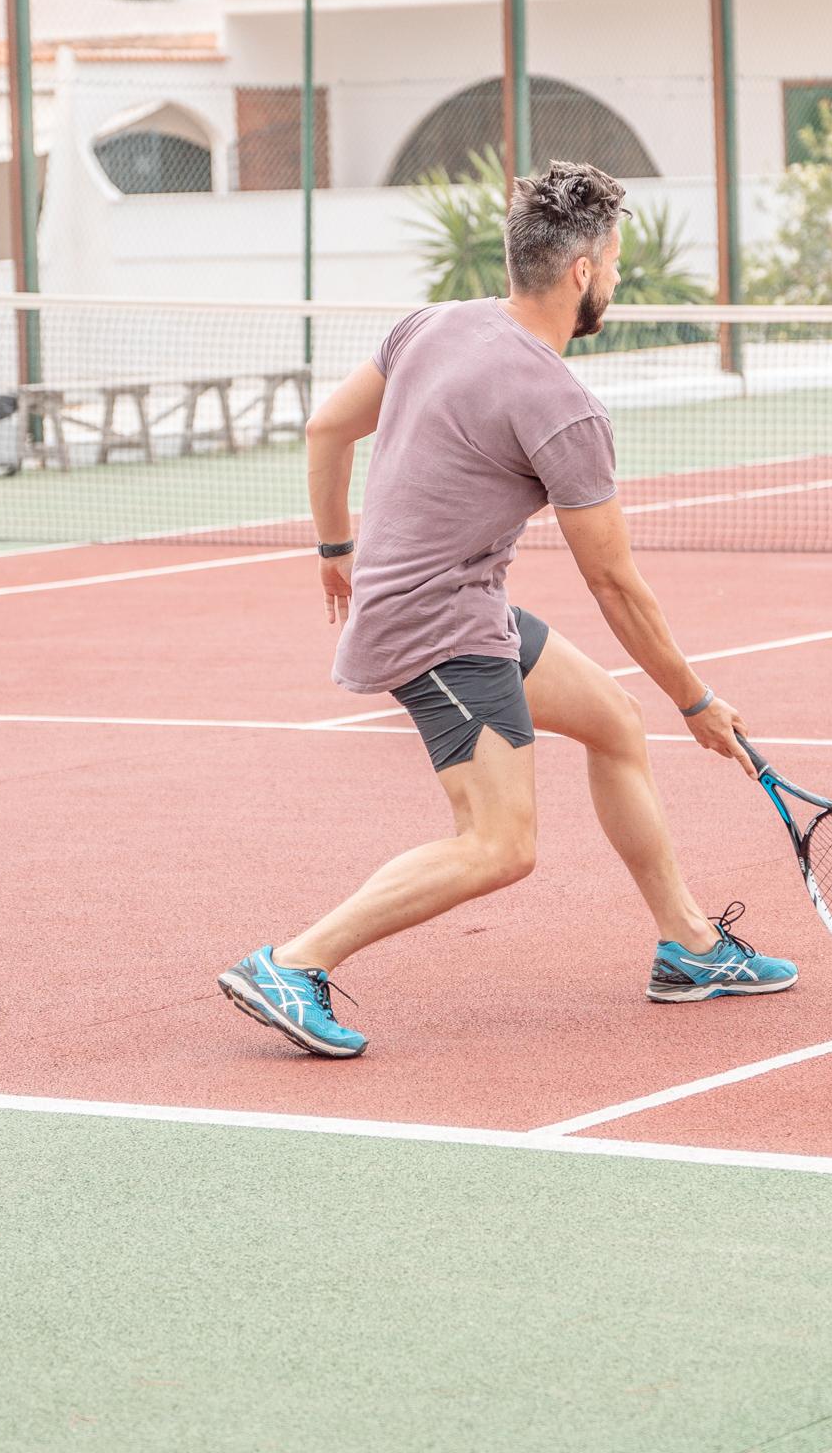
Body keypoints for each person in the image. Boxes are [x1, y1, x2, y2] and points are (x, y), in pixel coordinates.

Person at [219, 161, 795, 1058]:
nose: (615, 280)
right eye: (612, 264)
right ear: (581, 273)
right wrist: (697, 700)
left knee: (612, 722)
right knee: (499, 845)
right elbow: (615, 585)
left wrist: (337, 551)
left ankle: (688, 948)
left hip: (458, 600)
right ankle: (294, 962)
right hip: (435, 622)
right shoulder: (562, 405)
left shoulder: (434, 325)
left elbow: (326, 429)